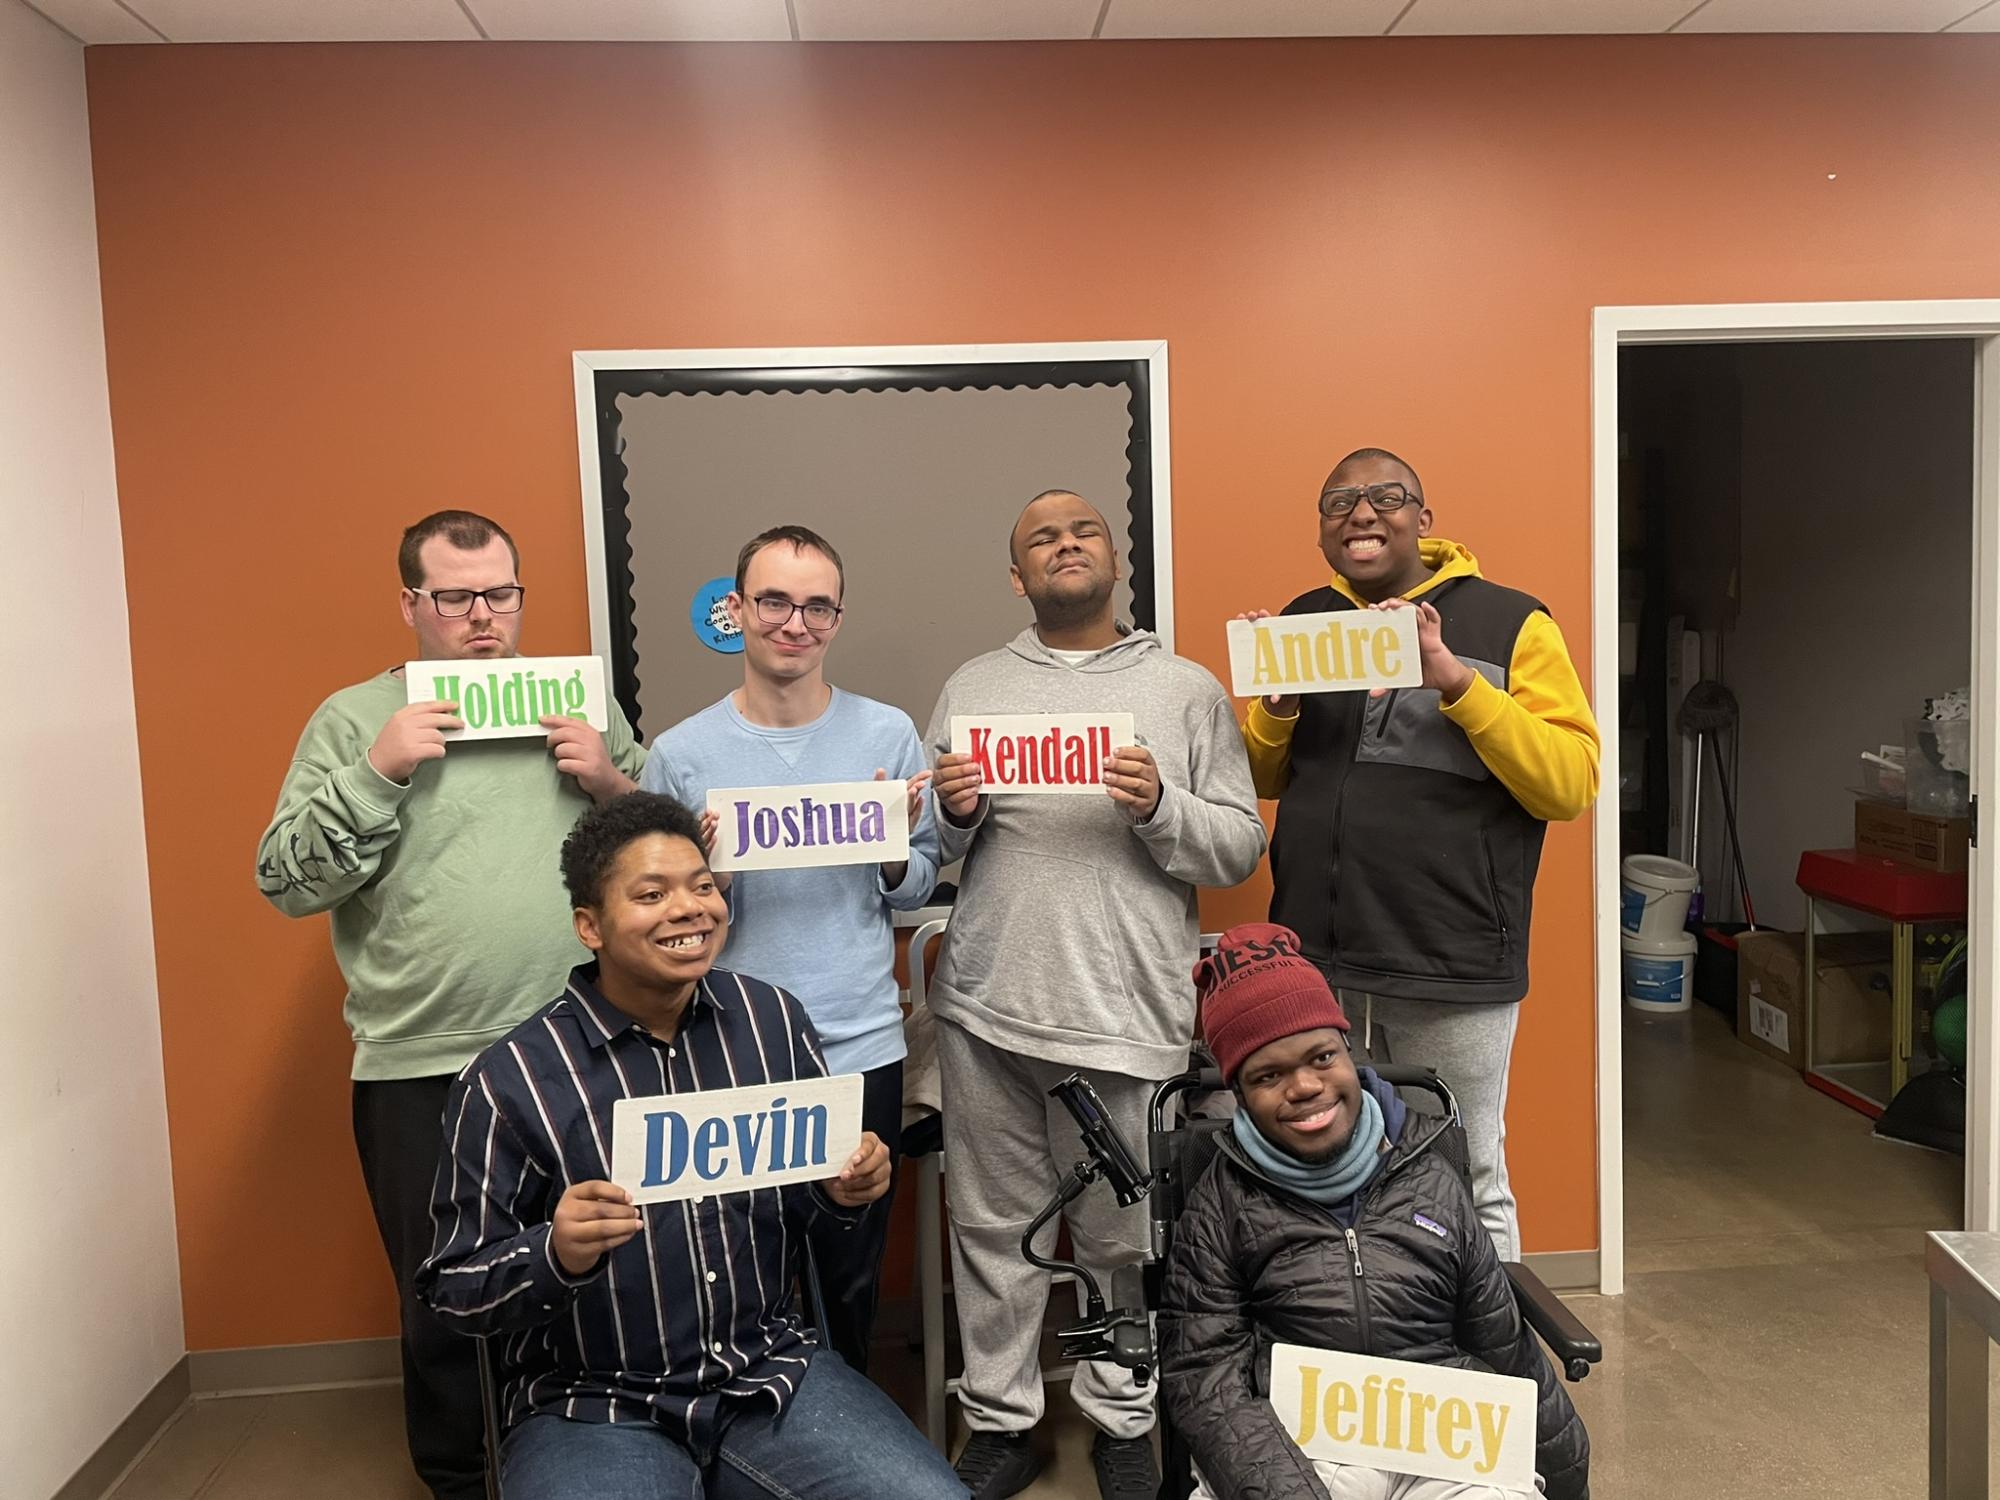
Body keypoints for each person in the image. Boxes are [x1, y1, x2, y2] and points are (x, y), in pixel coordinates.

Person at [417, 792, 966, 1500]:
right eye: (652, 894)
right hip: (591, 1404)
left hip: (768, 1373)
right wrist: (553, 1253)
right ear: (590, 925)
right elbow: (452, 1288)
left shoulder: (773, 1022)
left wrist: (842, 1192)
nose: (689, 908)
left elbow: (808, 1207)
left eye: (702, 885)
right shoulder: (510, 1080)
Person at [256, 510, 645, 1499]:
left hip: (579, 1048)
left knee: (596, 1263)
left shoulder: (574, 705)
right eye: (455, 598)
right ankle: (459, 1482)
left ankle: (595, 1456)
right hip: (418, 1060)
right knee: (443, 1298)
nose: (482, 617)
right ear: (411, 605)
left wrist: (607, 779)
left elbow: (655, 856)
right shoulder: (353, 720)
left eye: (500, 595)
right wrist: (377, 770)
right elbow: (286, 882)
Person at [924, 489, 1267, 1500]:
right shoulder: (973, 684)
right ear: (1016, 573)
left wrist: (1161, 807)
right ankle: (1000, 1422)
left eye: (1082, 532)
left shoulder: (1186, 688)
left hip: (1124, 1012)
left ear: (1114, 559)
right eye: (1040, 536)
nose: (1064, 545)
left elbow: (1239, 841)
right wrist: (947, 818)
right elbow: (927, 848)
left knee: (1123, 1238)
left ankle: (1123, 1417)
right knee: (989, 1230)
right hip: (986, 1007)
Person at [1238, 449, 1599, 1262]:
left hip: (1452, 960)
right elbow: (1262, 777)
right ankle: (1359, 1349)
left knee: (1465, 1175)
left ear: (1424, 521)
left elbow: (1571, 784)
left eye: (1386, 497)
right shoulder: (1304, 623)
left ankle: (1493, 1375)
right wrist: (1279, 708)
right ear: (1324, 530)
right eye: (1340, 502)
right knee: (1327, 1172)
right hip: (1320, 961)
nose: (1362, 514)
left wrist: (1459, 687)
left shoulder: (1511, 621)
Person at [641, 524, 940, 1373]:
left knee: (850, 1270)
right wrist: (705, 887)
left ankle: (847, 1441)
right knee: (737, 1268)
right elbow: (657, 920)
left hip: (857, 1044)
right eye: (774, 600)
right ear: (735, 611)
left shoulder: (887, 735)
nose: (794, 622)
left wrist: (891, 853)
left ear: (837, 619)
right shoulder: (681, 753)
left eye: (816, 606)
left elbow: (917, 882)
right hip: (724, 1051)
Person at [1157, 923, 1589, 1500]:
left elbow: (1502, 1343)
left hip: (1441, 1425)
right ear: (1239, 1092)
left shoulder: (1429, 1173)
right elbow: (1207, 1376)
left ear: (1348, 1052)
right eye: (1268, 1075)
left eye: (1321, 1057)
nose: (1306, 1086)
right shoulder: (1221, 1203)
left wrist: (1566, 1476)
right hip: (1297, 1437)